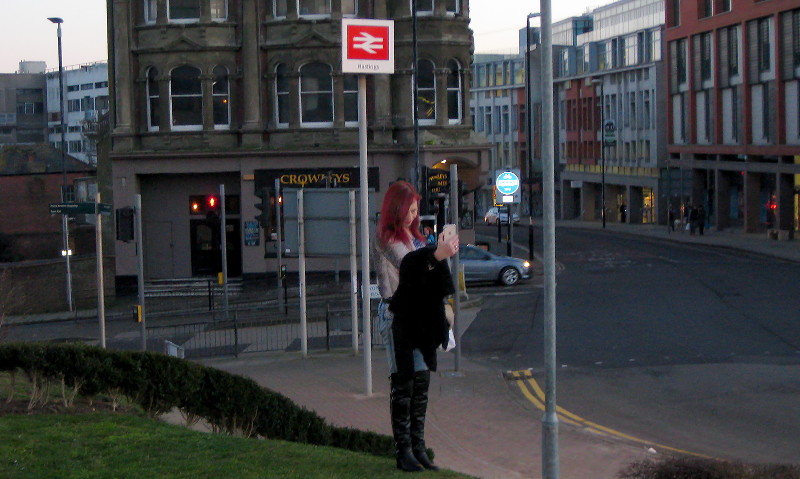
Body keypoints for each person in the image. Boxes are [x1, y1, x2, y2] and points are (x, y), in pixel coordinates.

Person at [374, 180, 459, 472]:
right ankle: (404, 451)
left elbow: (428, 273)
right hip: (395, 315)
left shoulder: (416, 236)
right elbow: (410, 266)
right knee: (404, 383)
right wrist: (437, 254)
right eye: (408, 210)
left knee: (420, 382)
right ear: (396, 210)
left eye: (416, 210)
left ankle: (418, 448)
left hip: (419, 315)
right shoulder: (387, 239)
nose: (413, 216)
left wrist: (439, 255)